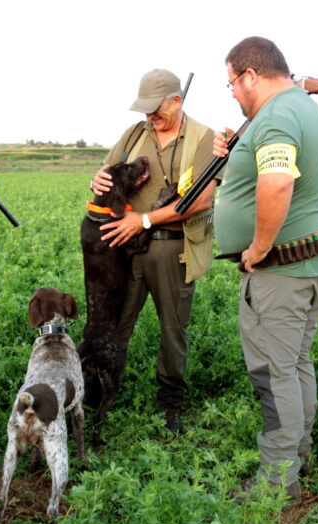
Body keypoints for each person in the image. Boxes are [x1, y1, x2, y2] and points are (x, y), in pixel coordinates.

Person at [213, 37, 318, 504]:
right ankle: (298, 451)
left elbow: (278, 181)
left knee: (273, 373)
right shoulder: (299, 108)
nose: (231, 93)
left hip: (282, 274)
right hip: (313, 263)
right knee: (295, 363)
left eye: (231, 83)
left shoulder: (280, 115)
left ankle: (277, 481)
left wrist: (258, 247)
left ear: (250, 75)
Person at [90, 69, 216, 433]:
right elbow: (106, 172)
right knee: (114, 326)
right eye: (144, 109)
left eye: (156, 109)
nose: (149, 117)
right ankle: (99, 399)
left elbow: (201, 200)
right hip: (124, 249)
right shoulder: (134, 134)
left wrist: (144, 221)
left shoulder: (202, 138)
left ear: (176, 100)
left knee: (172, 331)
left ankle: (170, 406)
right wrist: (96, 179)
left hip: (172, 248)